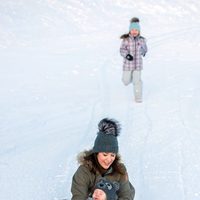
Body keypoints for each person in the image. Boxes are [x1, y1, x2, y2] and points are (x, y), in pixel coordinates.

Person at [71, 118, 135, 200]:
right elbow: (78, 197)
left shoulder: (120, 170)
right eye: (105, 155)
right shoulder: (84, 171)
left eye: (112, 155)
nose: (109, 160)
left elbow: (126, 195)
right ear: (97, 153)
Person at [120, 17, 148, 103]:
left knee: (137, 81)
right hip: (128, 65)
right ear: (129, 31)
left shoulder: (142, 40)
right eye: (132, 30)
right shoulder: (126, 40)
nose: (134, 31)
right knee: (126, 81)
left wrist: (143, 51)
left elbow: (145, 49)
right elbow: (122, 50)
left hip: (138, 65)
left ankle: (138, 97)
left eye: (136, 30)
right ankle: (131, 78)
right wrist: (127, 55)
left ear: (139, 31)